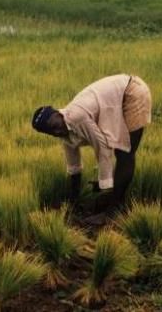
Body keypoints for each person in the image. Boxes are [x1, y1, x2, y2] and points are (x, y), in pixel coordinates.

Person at [31, 74, 152, 221]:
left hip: (133, 93)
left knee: (125, 153)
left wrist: (104, 184)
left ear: (59, 113)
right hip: (117, 100)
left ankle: (114, 211)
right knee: (121, 153)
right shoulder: (64, 133)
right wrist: (73, 200)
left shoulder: (76, 117)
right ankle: (115, 200)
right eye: (51, 132)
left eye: (55, 126)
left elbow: (102, 146)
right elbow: (73, 165)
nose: (57, 132)